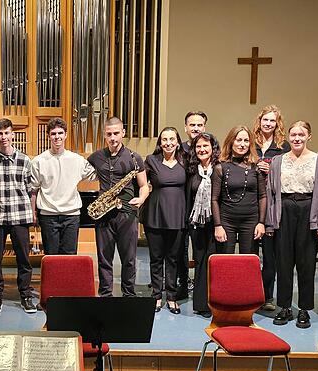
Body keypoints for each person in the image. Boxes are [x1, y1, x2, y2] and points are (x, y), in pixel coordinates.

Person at [266, 121, 318, 328]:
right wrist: (270, 223)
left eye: (301, 135)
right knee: (283, 262)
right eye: (293, 134)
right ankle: (284, 306)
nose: (296, 138)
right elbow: (270, 193)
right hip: (283, 211)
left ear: (308, 136)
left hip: (307, 210)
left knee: (306, 263)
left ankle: (304, 308)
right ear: (288, 136)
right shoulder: (278, 161)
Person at [88, 117, 148, 297]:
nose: (113, 138)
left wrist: (141, 198)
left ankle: (128, 294)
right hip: (104, 214)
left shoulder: (134, 157)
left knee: (128, 259)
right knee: (104, 258)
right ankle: (105, 294)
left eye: (116, 133)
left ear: (123, 133)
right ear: (104, 135)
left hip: (127, 213)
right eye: (109, 134)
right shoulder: (96, 157)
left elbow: (144, 185)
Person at [0, 118, 37, 314]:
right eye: (0, 133)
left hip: (20, 216)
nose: (3, 137)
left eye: (7, 133)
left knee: (24, 259)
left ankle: (26, 295)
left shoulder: (24, 160)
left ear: (13, 134)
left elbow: (30, 190)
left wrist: (32, 214)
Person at [30, 117, 96, 255]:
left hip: (71, 215)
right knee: (51, 256)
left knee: (70, 258)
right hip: (48, 216)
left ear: (65, 135)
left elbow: (95, 175)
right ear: (48, 136)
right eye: (53, 134)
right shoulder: (38, 161)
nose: (57, 137)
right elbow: (33, 190)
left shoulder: (77, 160)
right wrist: (33, 213)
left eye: (60, 133)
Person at [141, 127, 187, 314]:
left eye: (172, 139)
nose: (168, 143)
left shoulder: (185, 161)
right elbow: (139, 180)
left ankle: (172, 296)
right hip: (155, 215)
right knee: (156, 258)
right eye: (164, 139)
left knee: (173, 258)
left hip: (177, 215)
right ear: (160, 143)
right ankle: (156, 296)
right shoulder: (151, 161)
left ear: (177, 142)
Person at [252, 105, 291, 311]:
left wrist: (272, 169)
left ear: (278, 123)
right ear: (259, 121)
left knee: (270, 255)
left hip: (273, 204)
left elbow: (292, 173)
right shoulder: (250, 143)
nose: (268, 124)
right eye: (265, 120)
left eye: (272, 121)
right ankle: (248, 293)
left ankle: (267, 296)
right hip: (251, 202)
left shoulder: (283, 146)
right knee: (250, 254)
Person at [211, 126, 266, 254]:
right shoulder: (220, 167)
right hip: (226, 221)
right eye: (238, 140)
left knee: (248, 263)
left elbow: (262, 196)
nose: (242, 144)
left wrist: (261, 223)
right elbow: (214, 199)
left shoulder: (256, 167)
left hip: (251, 221)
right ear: (231, 142)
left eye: (246, 141)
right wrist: (218, 225)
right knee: (225, 262)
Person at [186, 132, 220, 318]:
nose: (202, 149)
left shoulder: (220, 169)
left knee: (213, 262)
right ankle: (201, 304)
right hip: (197, 224)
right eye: (198, 146)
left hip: (216, 224)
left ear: (212, 148)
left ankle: (215, 302)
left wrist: (220, 224)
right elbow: (187, 197)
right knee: (199, 261)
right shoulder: (192, 171)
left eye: (205, 146)